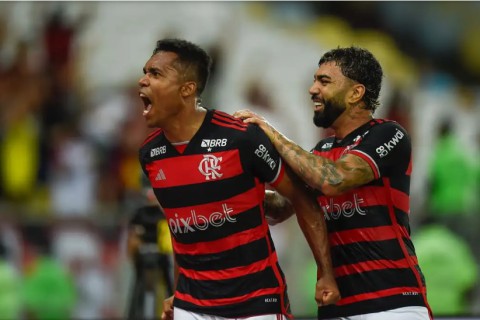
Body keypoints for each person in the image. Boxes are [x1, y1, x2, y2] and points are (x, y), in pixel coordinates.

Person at [137, 38, 340, 320]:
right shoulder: (150, 155)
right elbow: (180, 229)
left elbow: (300, 197)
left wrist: (325, 273)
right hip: (192, 304)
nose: (142, 81)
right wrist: (177, 291)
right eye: (145, 72)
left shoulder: (240, 137)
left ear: (187, 89)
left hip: (255, 302)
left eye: (155, 74)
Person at [234, 47, 433, 320]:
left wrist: (271, 133)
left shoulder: (389, 134)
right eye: (315, 80)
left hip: (392, 302)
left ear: (356, 93)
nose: (312, 89)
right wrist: (230, 190)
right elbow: (281, 207)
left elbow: (335, 180)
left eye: (324, 82)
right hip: (336, 304)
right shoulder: (322, 150)